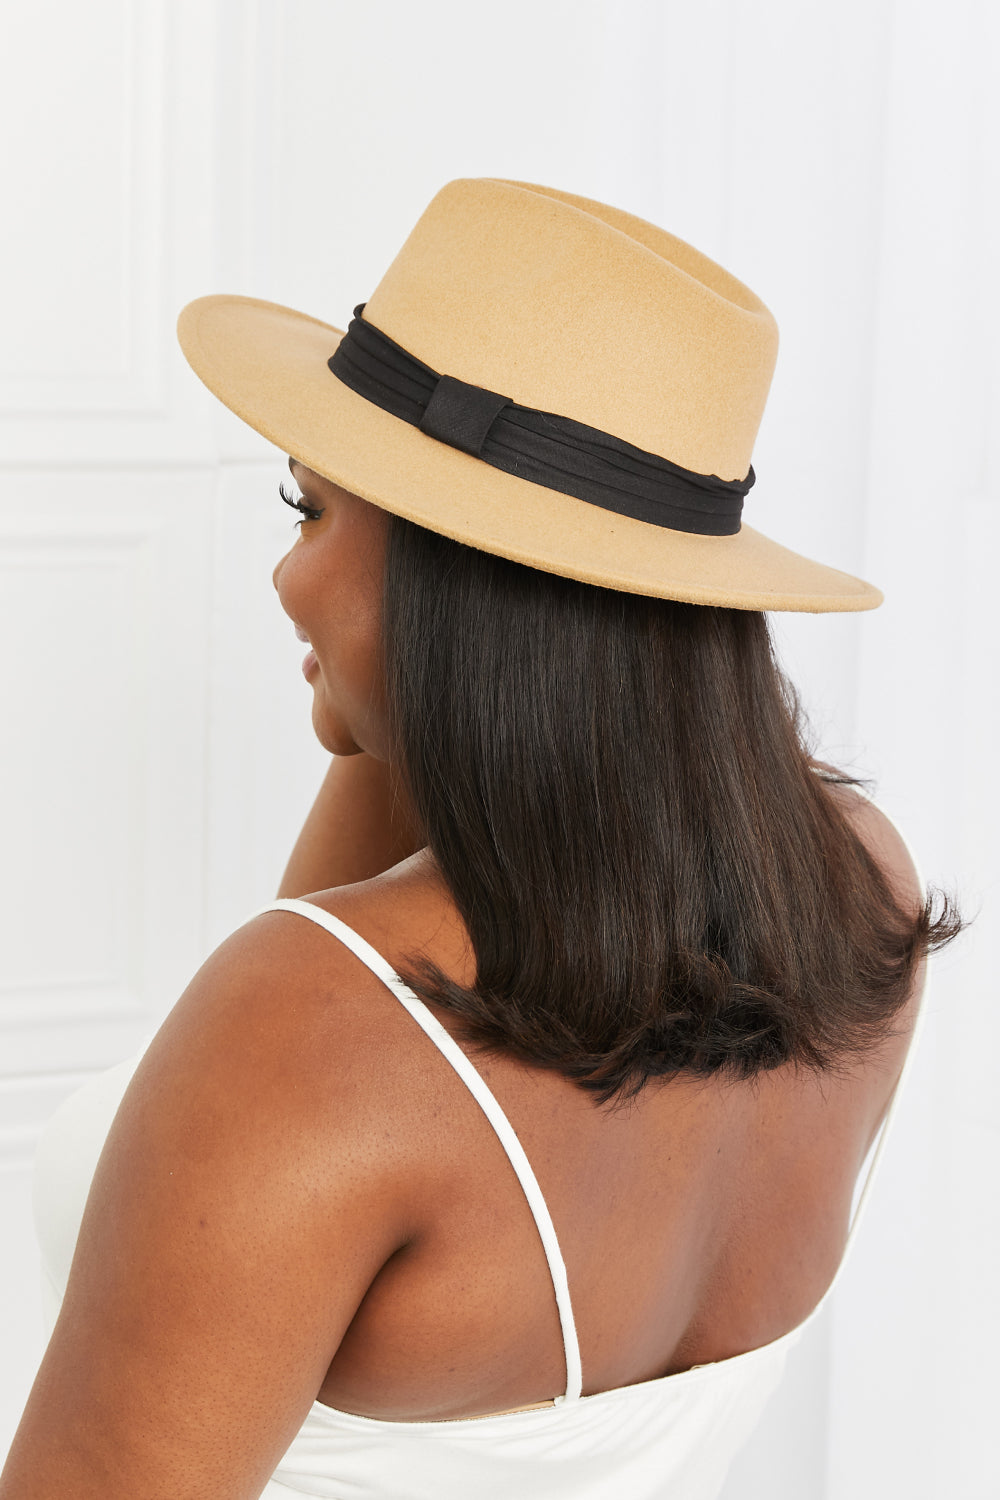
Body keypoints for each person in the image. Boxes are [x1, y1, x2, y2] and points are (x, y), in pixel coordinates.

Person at [0, 179, 960, 1499]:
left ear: (467, 582)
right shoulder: (854, 886)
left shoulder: (312, 1029)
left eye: (309, 511)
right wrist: (400, 706)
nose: (285, 577)